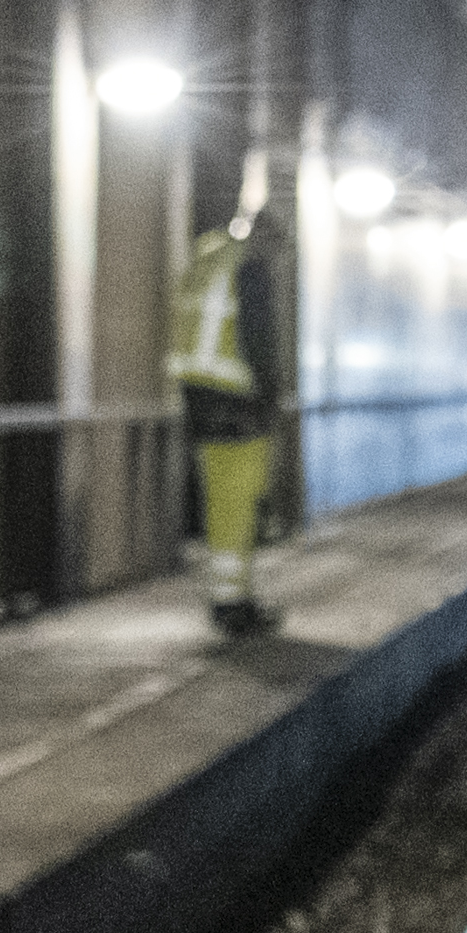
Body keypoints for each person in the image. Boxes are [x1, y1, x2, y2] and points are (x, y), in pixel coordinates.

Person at [167, 162, 287, 637]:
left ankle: (225, 597)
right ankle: (235, 603)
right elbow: (259, 343)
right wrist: (271, 397)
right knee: (241, 499)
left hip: (198, 396)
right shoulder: (251, 269)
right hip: (239, 400)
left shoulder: (207, 255)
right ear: (268, 240)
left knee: (219, 498)